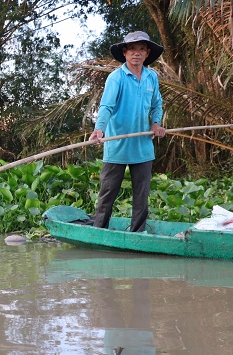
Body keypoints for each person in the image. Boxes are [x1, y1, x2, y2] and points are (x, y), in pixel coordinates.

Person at [89, 31, 167, 232]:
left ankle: (137, 233)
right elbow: (106, 106)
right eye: (132, 49)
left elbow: (157, 104)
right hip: (118, 144)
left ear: (147, 53)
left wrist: (156, 124)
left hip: (142, 146)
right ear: (125, 52)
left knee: (141, 195)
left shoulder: (151, 77)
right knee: (108, 193)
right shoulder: (117, 78)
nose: (137, 54)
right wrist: (99, 129)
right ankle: (99, 230)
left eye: (142, 49)